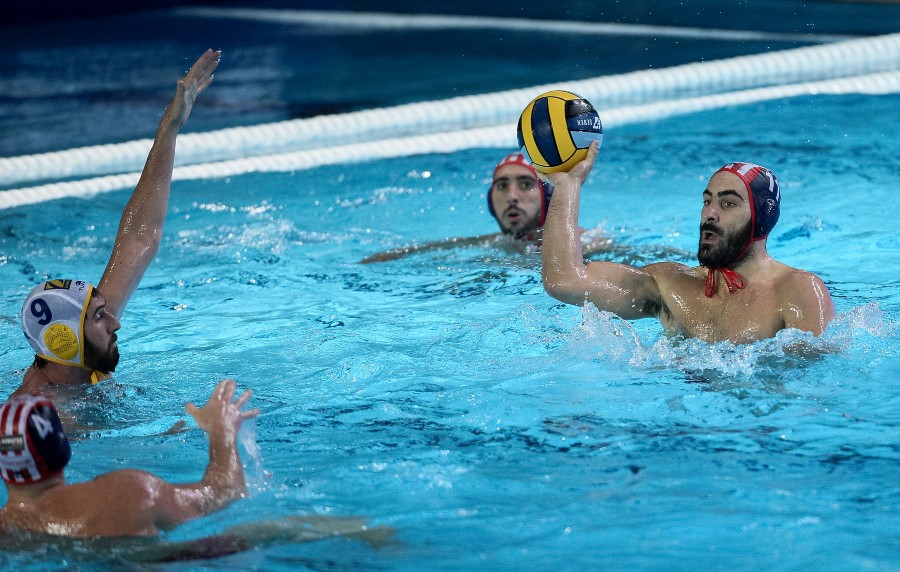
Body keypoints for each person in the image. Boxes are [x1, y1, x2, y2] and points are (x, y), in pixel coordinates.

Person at [11, 49, 220, 405]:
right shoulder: (40, 416)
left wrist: (170, 126)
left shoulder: (80, 352)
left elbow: (140, 237)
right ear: (67, 340)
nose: (115, 322)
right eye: (98, 317)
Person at [541, 141, 836, 344]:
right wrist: (567, 186)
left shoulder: (797, 290)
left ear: (762, 218)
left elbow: (816, 382)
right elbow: (564, 280)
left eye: (728, 204)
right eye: (707, 201)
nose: (710, 213)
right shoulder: (669, 284)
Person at [0, 379, 258, 537]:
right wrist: (222, 430)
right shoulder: (126, 494)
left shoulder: (8, 534)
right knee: (276, 530)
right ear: (62, 448)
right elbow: (225, 494)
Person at [360, 152, 612, 263]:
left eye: (525, 184)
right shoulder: (497, 243)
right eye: (502, 186)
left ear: (548, 197)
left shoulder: (585, 243)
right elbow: (434, 249)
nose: (512, 197)